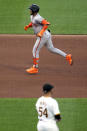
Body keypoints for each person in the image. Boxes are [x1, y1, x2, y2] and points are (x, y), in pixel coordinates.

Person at [24, 4, 73, 74]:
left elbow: (46, 24)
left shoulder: (38, 17)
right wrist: (28, 26)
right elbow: (33, 23)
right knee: (51, 49)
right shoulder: (32, 16)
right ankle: (67, 56)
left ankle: (35, 68)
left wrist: (41, 32)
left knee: (35, 50)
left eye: (30, 10)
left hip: (43, 36)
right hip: (47, 35)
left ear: (34, 11)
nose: (29, 10)